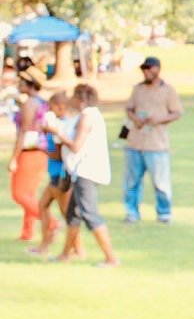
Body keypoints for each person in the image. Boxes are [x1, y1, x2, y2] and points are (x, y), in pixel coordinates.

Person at [44, 85, 119, 266]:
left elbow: (76, 146)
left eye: (74, 96)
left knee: (89, 213)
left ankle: (111, 258)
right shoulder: (88, 115)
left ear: (81, 98)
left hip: (86, 171)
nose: (70, 100)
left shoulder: (87, 116)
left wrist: (57, 133)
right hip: (80, 171)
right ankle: (66, 254)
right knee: (73, 215)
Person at [123, 56, 183, 224]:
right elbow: (129, 109)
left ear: (157, 69)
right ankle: (132, 212)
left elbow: (177, 113)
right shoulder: (138, 89)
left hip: (157, 144)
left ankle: (164, 213)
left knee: (161, 183)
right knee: (132, 182)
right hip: (136, 142)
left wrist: (159, 119)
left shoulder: (168, 90)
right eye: (144, 69)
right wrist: (135, 118)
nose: (146, 72)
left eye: (149, 68)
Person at [29, 92, 81, 256]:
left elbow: (58, 155)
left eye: (51, 106)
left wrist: (40, 149)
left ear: (60, 107)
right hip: (54, 173)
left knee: (67, 213)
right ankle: (44, 245)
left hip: (61, 175)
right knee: (43, 206)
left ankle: (78, 249)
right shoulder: (55, 125)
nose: (49, 110)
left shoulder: (62, 127)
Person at [9, 66, 49, 241]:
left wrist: (14, 158)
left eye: (22, 82)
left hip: (29, 152)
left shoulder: (30, 103)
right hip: (41, 152)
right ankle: (27, 232)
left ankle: (51, 223)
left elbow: (23, 132)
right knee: (30, 193)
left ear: (29, 84)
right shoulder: (41, 102)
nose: (19, 85)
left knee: (19, 193)